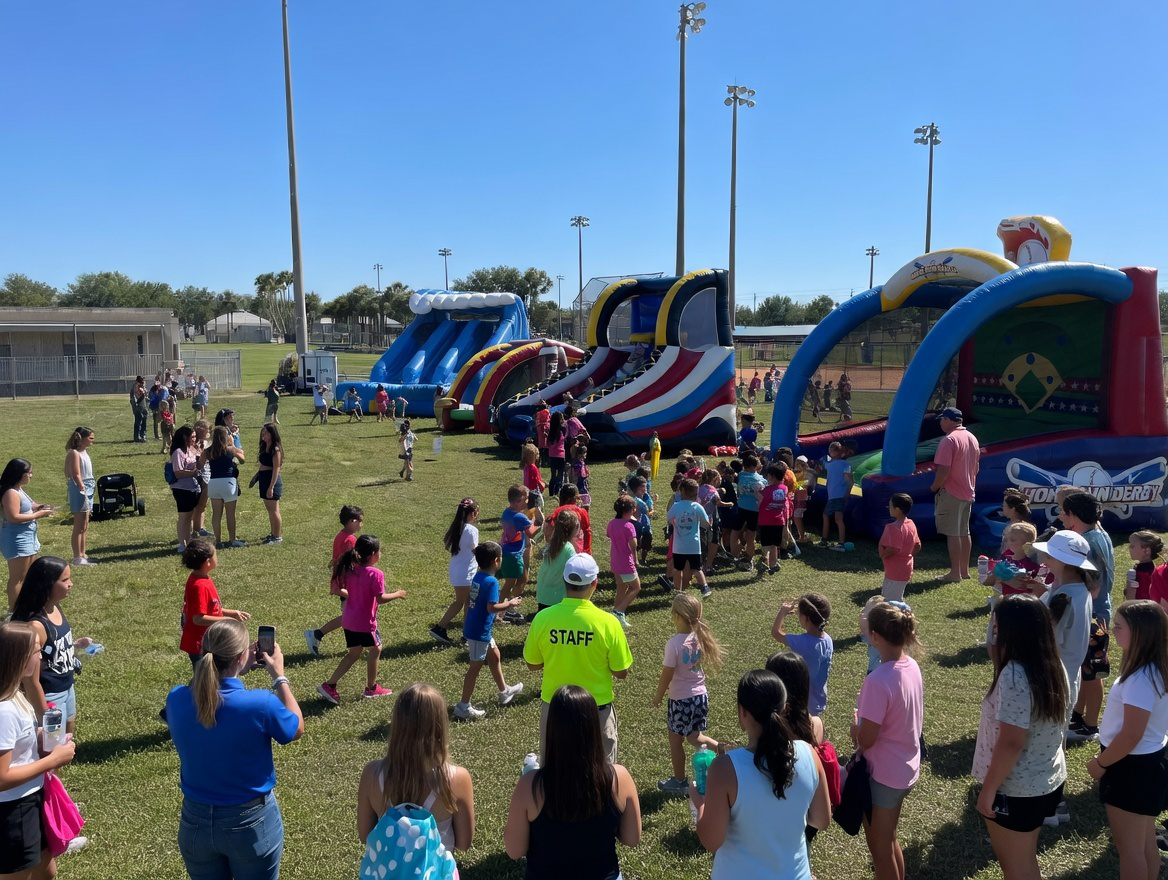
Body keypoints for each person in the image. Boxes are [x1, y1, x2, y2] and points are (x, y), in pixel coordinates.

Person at [166, 618, 303, 880]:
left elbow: (209, 694)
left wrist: (236, 670)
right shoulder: (259, 704)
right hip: (249, 823)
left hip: (194, 821)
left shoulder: (176, 698)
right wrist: (279, 677)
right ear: (242, 657)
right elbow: (295, 727)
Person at [691, 669, 831, 880]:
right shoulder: (809, 754)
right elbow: (821, 820)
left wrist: (701, 803)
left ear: (742, 712)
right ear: (785, 709)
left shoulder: (725, 768)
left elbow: (711, 841)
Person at [972, 595, 1068, 880]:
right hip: (1046, 781)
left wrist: (989, 790)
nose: (994, 635)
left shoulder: (1015, 674)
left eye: (998, 629)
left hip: (1016, 790)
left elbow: (1012, 742)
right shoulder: (1053, 665)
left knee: (1016, 868)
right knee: (1024, 862)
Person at [504, 685, 641, 879]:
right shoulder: (620, 778)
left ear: (552, 729)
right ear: (594, 726)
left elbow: (514, 851)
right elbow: (632, 839)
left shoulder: (530, 786)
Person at [1086, 601, 1168, 880]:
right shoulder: (1154, 668)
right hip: (1148, 763)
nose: (1112, 631)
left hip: (1130, 767)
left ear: (1140, 633)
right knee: (1145, 842)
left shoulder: (1141, 678)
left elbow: (1132, 733)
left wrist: (1101, 763)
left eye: (1119, 627)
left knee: (1130, 849)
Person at [523, 554, 633, 763]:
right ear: (594, 583)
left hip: (555, 710)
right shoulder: (608, 623)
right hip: (596, 710)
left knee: (555, 774)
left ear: (565, 582)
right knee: (601, 775)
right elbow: (621, 672)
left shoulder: (543, 618)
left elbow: (532, 664)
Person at [357, 682, 476, 855]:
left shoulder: (372, 774)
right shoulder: (457, 778)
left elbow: (365, 836)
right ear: (440, 726)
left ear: (397, 724)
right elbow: (464, 843)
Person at [851, 602, 924, 880]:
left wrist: (854, 729)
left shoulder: (878, 679)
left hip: (884, 777)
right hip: (906, 767)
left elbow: (866, 739)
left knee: (879, 848)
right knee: (889, 838)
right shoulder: (912, 665)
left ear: (875, 637)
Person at [0, 620, 77, 880]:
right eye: (36, 650)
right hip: (13, 811)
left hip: (31, 800)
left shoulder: (15, 695)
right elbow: (1, 778)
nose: (41, 655)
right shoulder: (4, 711)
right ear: (18, 658)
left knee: (47, 873)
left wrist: (39, 739)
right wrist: (52, 760)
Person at [10, 556, 94, 737]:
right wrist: (44, 715)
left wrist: (74, 644)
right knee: (52, 743)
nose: (70, 584)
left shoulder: (54, 607)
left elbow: (51, 647)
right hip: (49, 695)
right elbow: (30, 679)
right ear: (46, 585)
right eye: (65, 580)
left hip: (67, 684)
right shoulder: (36, 626)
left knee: (68, 730)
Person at [316, 535, 405, 704]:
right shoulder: (376, 574)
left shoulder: (351, 569)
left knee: (354, 653)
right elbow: (380, 599)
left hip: (348, 621)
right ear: (373, 554)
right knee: (376, 649)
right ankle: (371, 689)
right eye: (379, 551)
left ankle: (330, 685)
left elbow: (339, 588)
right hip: (364, 623)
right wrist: (398, 594)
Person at [653, 592, 723, 794]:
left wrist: (658, 696)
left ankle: (679, 781)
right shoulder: (700, 638)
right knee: (694, 737)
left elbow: (667, 675)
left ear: (676, 616)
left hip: (680, 700)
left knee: (676, 741)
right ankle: (723, 750)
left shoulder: (674, 644)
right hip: (700, 697)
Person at [1060, 491, 1115, 742]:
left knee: (1093, 672)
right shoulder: (1098, 533)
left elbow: (1093, 586)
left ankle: (1091, 726)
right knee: (1086, 669)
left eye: (1063, 511)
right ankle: (1078, 715)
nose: (1060, 516)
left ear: (1073, 514)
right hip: (1099, 611)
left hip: (1094, 615)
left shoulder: (1088, 543)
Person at [454, 542, 524, 720]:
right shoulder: (491, 581)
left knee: (495, 655)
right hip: (479, 631)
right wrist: (510, 603)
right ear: (496, 561)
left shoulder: (478, 576)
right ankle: (463, 706)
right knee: (474, 667)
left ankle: (504, 691)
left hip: (475, 626)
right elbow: (492, 608)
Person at [179, 539, 250, 667]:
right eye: (215, 555)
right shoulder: (199, 586)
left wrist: (232, 613)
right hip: (200, 645)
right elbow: (198, 619)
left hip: (209, 642)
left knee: (210, 678)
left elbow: (211, 608)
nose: (217, 558)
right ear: (207, 562)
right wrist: (225, 620)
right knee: (204, 681)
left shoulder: (202, 578)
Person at [306, 505, 365, 656]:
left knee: (352, 614)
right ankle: (317, 634)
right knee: (352, 615)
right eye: (360, 521)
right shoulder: (350, 540)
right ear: (352, 521)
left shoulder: (341, 535)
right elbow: (350, 563)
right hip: (347, 583)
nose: (361, 524)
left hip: (341, 581)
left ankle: (318, 634)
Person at [930, 406, 980, 582]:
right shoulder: (971, 438)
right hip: (968, 490)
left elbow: (944, 469)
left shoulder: (949, 440)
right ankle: (964, 571)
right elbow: (976, 467)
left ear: (950, 420)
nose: (941, 423)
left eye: (943, 419)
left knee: (952, 532)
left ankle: (954, 573)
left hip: (952, 490)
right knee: (963, 531)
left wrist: (935, 487)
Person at [0, 459, 51, 611]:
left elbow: (27, 506)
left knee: (29, 575)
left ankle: (26, 607)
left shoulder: (19, 489)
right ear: (18, 474)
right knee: (18, 578)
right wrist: (39, 515)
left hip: (27, 537)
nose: (31, 475)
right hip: (17, 539)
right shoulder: (11, 493)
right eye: (28, 472)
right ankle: (13, 612)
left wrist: (38, 507)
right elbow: (13, 517)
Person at [772, 593, 833, 716]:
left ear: (807, 619)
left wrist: (783, 612)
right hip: (818, 700)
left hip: (802, 703)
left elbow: (776, 633)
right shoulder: (828, 640)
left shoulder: (802, 642)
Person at [430, 499, 479, 646]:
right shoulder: (471, 530)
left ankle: (466, 634)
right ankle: (441, 628)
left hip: (457, 570)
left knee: (465, 603)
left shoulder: (456, 527)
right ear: (472, 514)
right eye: (476, 513)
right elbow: (475, 550)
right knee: (464, 603)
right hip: (467, 573)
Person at [499, 484, 540, 623]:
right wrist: (538, 521)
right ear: (519, 500)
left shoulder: (507, 512)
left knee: (517, 580)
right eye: (526, 498)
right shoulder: (519, 517)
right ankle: (501, 611)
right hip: (514, 555)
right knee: (509, 584)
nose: (528, 501)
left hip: (506, 552)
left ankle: (504, 609)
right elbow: (531, 532)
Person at [668, 478, 712, 596]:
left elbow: (669, 518)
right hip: (694, 546)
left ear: (681, 491)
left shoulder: (676, 506)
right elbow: (706, 523)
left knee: (678, 569)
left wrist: (674, 522)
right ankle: (705, 587)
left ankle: (678, 591)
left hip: (679, 547)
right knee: (697, 569)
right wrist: (709, 523)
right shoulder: (697, 507)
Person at [206, 426, 246, 549]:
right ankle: (232, 539)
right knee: (230, 514)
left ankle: (217, 540)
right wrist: (233, 445)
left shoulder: (209, 451)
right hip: (228, 482)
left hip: (213, 483)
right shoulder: (230, 449)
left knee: (216, 515)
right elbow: (242, 460)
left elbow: (199, 464)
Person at [64, 426, 96, 567]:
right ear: (81, 438)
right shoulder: (74, 453)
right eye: (90, 438)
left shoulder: (84, 452)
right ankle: (77, 556)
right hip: (81, 487)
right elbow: (75, 473)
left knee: (85, 524)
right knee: (79, 524)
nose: (92, 441)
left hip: (88, 485)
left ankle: (83, 554)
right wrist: (81, 487)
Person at [535, 509, 578, 613]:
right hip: (556, 598)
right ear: (573, 529)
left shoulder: (552, 544)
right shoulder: (568, 549)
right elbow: (574, 574)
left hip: (542, 594)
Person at [879, 493, 921, 601]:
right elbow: (918, 545)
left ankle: (903, 616)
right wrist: (909, 556)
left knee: (892, 601)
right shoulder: (911, 523)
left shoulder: (893, 528)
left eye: (890, 505)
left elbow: (894, 548)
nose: (889, 508)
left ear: (897, 509)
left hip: (895, 570)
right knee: (888, 595)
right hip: (905, 568)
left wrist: (884, 555)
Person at [170, 425, 203, 555]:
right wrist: (193, 472)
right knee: (184, 517)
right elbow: (178, 472)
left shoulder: (191, 450)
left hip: (192, 487)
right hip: (181, 488)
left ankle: (188, 541)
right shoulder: (178, 452)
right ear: (185, 437)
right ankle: (182, 544)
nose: (194, 439)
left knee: (189, 516)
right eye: (192, 437)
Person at [607, 496, 640, 627]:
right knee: (636, 587)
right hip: (626, 562)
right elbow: (633, 545)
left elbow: (609, 535)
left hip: (615, 561)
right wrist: (636, 559)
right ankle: (619, 611)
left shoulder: (611, 523)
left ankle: (615, 615)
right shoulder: (629, 526)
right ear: (630, 510)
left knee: (622, 587)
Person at [818, 441, 852, 549]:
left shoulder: (836, 464)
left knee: (826, 515)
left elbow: (849, 480)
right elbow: (849, 480)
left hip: (836, 495)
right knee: (838, 518)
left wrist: (847, 492)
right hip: (837, 495)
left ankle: (825, 539)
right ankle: (840, 542)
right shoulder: (844, 464)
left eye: (831, 450)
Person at [757, 463, 790, 575]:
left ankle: (767, 563)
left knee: (767, 544)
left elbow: (759, 497)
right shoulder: (784, 488)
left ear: (773, 476)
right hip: (778, 520)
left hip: (766, 520)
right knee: (774, 544)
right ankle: (773, 564)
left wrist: (756, 490)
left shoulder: (767, 490)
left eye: (768, 476)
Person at [254, 424, 283, 544]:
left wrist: (271, 486)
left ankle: (277, 536)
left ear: (272, 434)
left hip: (271, 480)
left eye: (266, 433)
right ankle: (273, 533)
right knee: (270, 510)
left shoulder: (275, 449)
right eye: (263, 433)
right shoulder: (265, 446)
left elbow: (276, 468)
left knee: (274, 510)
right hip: (264, 479)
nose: (264, 435)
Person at [543, 484, 591, 554]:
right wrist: (587, 552)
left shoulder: (557, 511)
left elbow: (547, 528)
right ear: (574, 498)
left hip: (560, 551)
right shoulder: (581, 512)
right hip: (577, 551)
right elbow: (587, 532)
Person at [1127, 531, 1162, 601]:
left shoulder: (1142, 573)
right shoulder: (1152, 569)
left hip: (1140, 608)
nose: (1129, 548)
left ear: (1146, 550)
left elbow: (1131, 598)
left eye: (1132, 546)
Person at [547, 412, 567, 496]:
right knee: (560, 475)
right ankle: (557, 491)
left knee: (553, 475)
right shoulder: (562, 430)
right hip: (560, 455)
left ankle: (551, 492)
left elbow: (548, 444)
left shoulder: (550, 432)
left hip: (552, 455)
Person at [131, 376, 149, 442]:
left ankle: (142, 436)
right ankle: (138, 437)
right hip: (139, 407)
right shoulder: (137, 386)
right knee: (139, 421)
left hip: (143, 406)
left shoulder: (141, 386)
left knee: (142, 421)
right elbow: (138, 397)